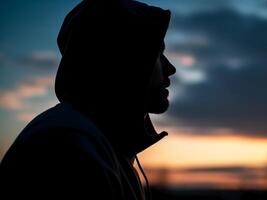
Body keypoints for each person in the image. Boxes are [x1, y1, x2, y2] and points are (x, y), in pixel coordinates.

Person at [0, 0, 176, 199]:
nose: (170, 68)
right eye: (157, 53)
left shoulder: (105, 146)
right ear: (125, 59)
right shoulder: (65, 147)